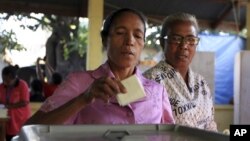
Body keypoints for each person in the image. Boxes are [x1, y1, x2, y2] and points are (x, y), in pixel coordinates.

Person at [25, 8, 174, 125]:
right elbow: (31, 128)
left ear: (142, 43)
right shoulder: (79, 83)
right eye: (120, 32)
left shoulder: (157, 91)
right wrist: (83, 99)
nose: (130, 41)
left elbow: (170, 135)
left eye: (138, 35)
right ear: (104, 40)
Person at [143, 12, 217, 131]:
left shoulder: (201, 83)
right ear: (162, 42)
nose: (184, 46)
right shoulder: (150, 81)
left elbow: (211, 125)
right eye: (176, 39)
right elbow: (147, 131)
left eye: (191, 40)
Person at [0, 65, 31, 141]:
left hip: (20, 120)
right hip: (7, 121)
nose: (5, 82)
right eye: (3, 79)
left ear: (14, 78)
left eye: (7, 81)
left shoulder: (22, 85)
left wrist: (8, 106)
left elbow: (24, 102)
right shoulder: (1, 86)